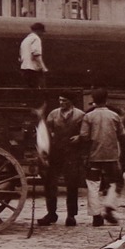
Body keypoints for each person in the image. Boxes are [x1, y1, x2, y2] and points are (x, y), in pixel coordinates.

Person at [38, 91, 85, 225]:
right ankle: (51, 213)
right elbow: (46, 132)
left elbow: (86, 132)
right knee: (50, 184)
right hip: (55, 152)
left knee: (72, 185)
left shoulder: (80, 115)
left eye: (64, 100)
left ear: (71, 101)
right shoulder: (53, 114)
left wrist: (80, 137)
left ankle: (71, 215)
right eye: (60, 100)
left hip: (72, 153)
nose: (61, 103)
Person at [79, 88, 124, 226]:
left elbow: (84, 136)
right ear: (106, 99)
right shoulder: (114, 116)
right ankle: (109, 206)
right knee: (116, 182)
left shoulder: (89, 116)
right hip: (111, 156)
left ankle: (96, 216)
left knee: (93, 185)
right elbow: (122, 136)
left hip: (94, 156)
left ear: (93, 100)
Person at [20, 22, 49, 93]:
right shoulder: (36, 39)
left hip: (24, 69)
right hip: (33, 70)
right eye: (42, 32)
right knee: (39, 91)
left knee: (30, 92)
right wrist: (43, 67)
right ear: (38, 30)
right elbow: (36, 54)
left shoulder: (26, 40)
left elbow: (21, 56)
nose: (42, 34)